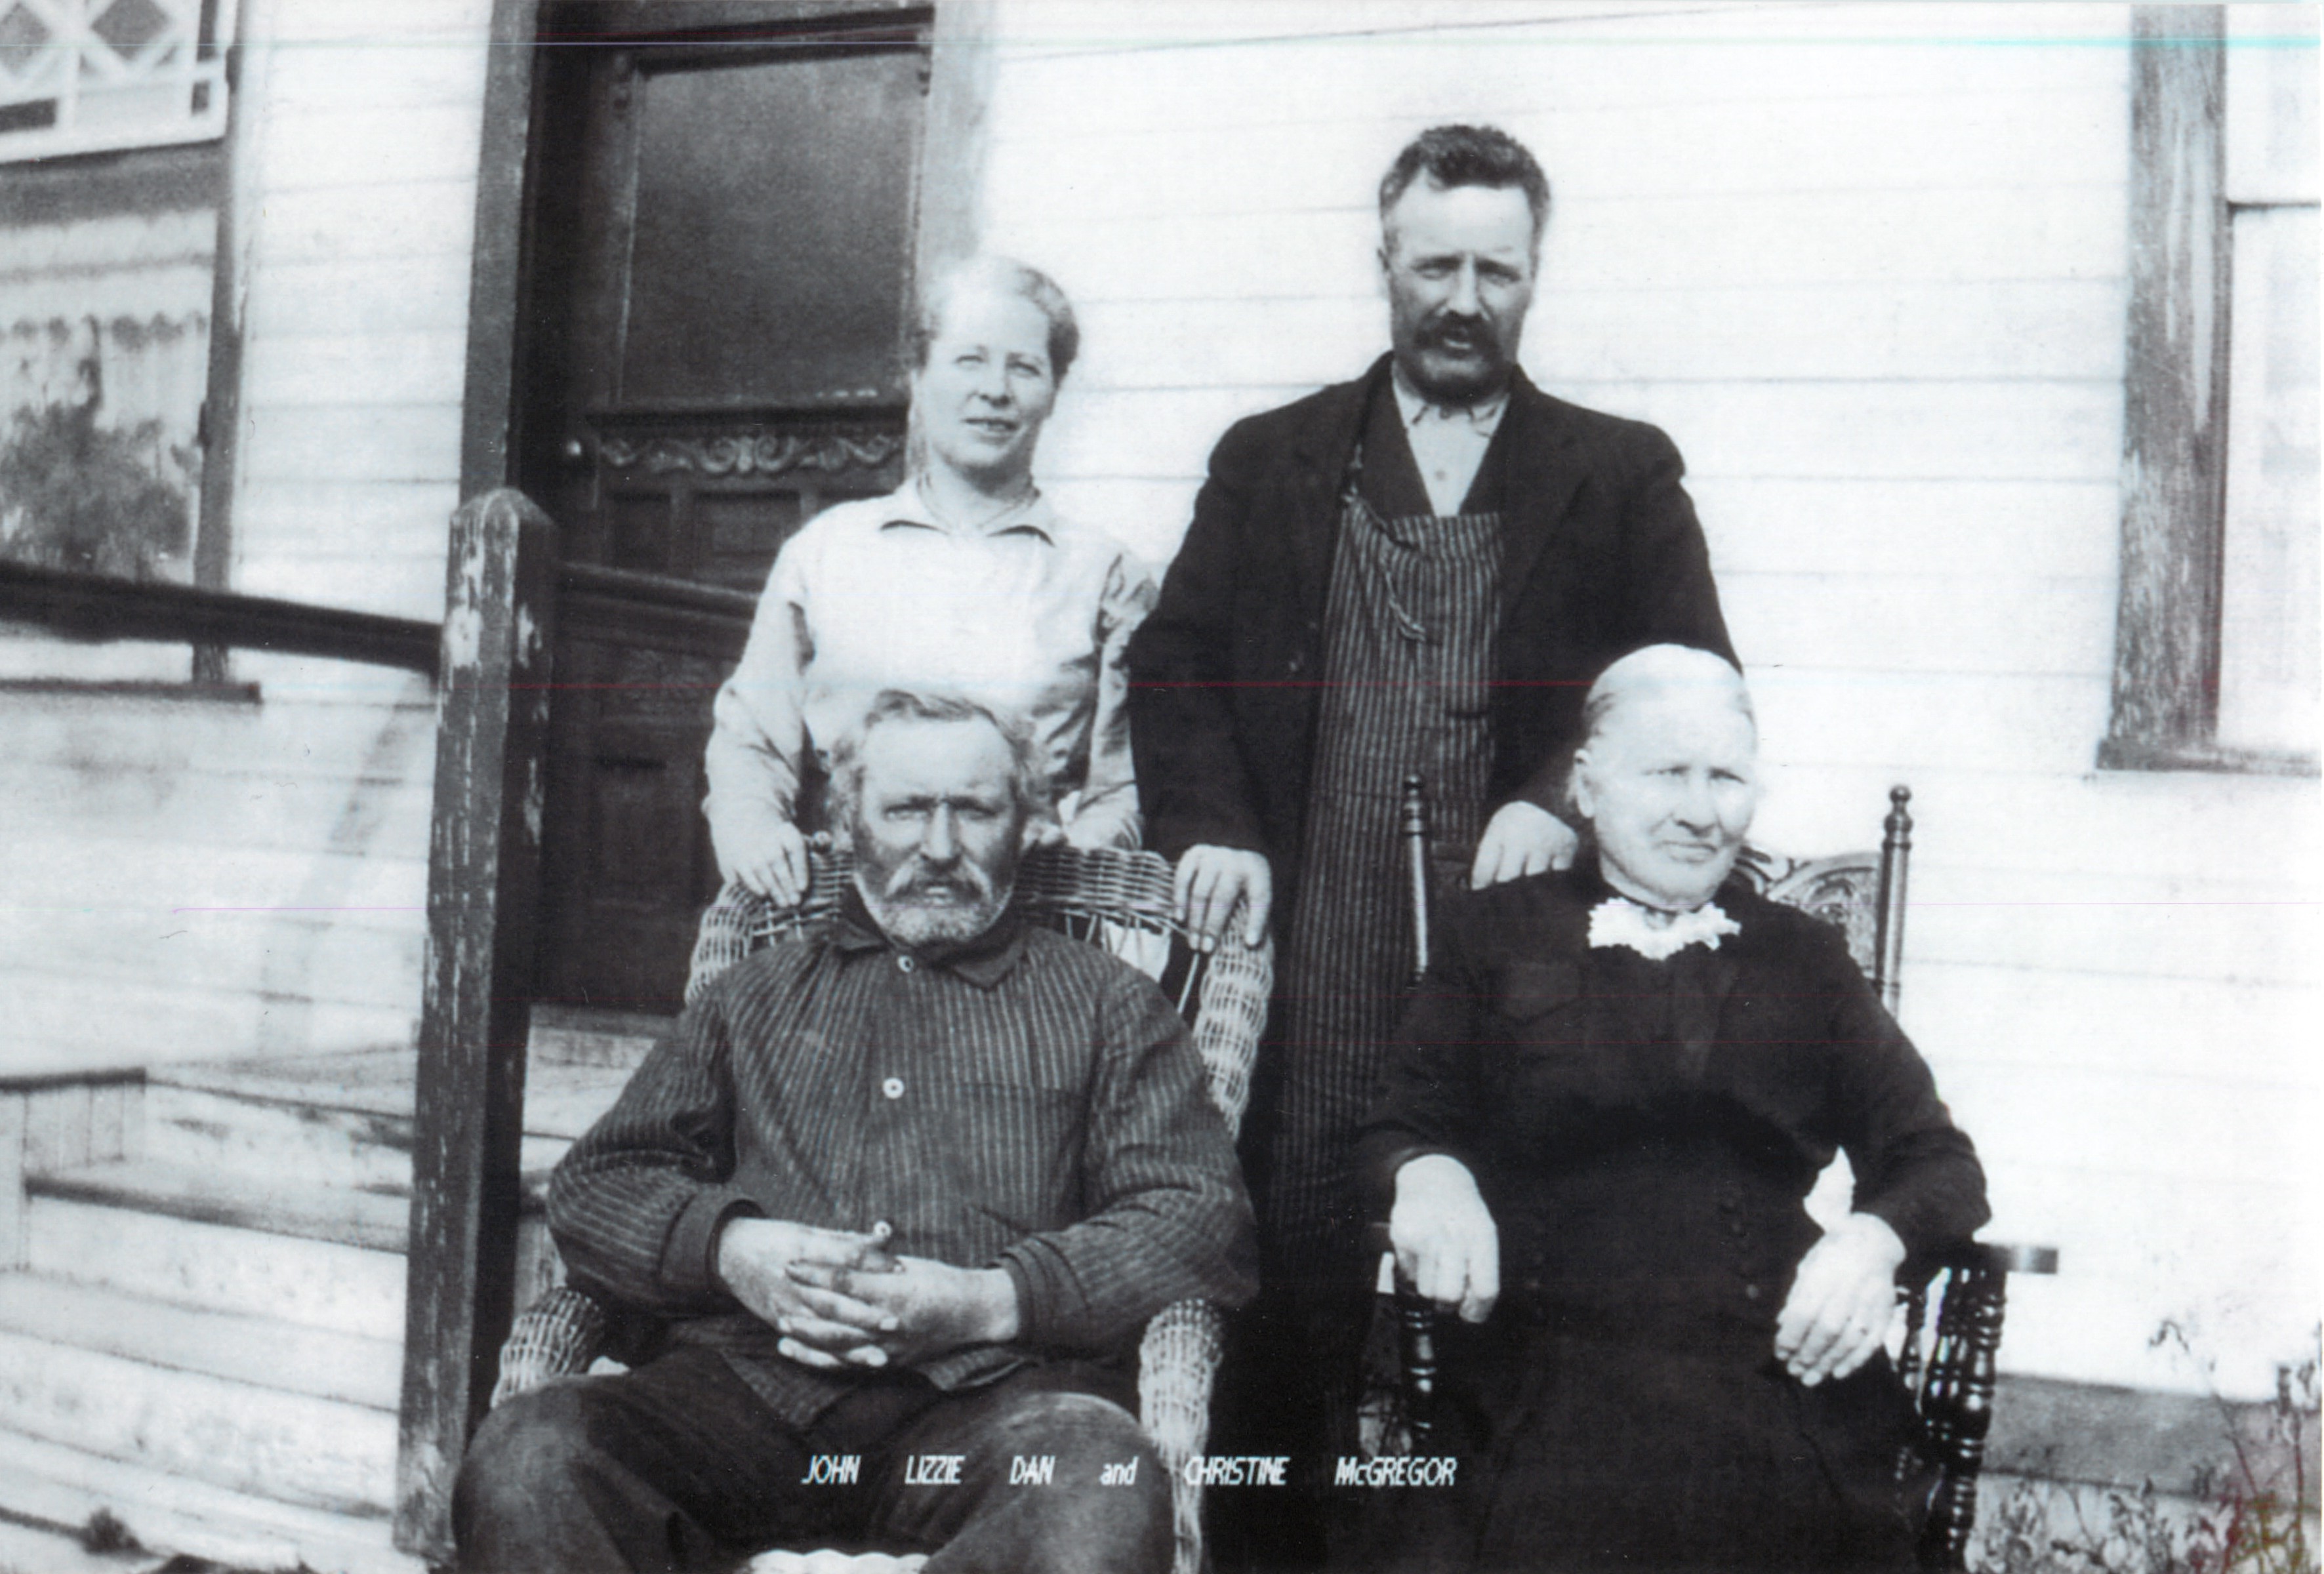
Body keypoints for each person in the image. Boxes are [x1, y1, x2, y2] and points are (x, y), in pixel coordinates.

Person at [1124, 123, 1736, 1554]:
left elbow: (1692, 682)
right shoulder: (1271, 459)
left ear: (1534, 277)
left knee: (1497, 1273)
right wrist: (1214, 828)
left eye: (1495, 272)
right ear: (1383, 264)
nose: (1463, 300)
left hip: (1521, 956)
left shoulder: (1620, 472)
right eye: (1434, 266)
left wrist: (1558, 791)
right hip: (1314, 942)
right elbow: (1173, 660)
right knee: (1291, 1264)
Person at [457, 689, 1257, 1574]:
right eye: (906, 809)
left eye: (975, 810)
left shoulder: (1107, 1004)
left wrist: (987, 1301)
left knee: (1098, 1486)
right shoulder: (754, 994)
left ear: (1029, 826)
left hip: (994, 1408)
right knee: (531, 1456)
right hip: (741, 1398)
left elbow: (1198, 1219)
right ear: (845, 824)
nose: (941, 846)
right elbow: (597, 1186)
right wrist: (733, 1251)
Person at [1355, 645, 1989, 1573]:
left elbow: (1937, 1159)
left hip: (1772, 1372)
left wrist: (1873, 1241)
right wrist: (1430, 1176)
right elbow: (1402, 1120)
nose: (1701, 811)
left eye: (1726, 778)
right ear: (1586, 787)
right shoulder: (1491, 934)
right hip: (1545, 1370)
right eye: (1667, 774)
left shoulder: (1803, 957)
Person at [702, 256, 1154, 917]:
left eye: (1025, 367)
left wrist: (1071, 869)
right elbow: (752, 740)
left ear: (1055, 391)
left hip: (1025, 912)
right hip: (837, 907)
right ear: (917, 377)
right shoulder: (826, 552)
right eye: (969, 360)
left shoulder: (1105, 574)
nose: (995, 390)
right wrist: (753, 829)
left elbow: (1124, 785)